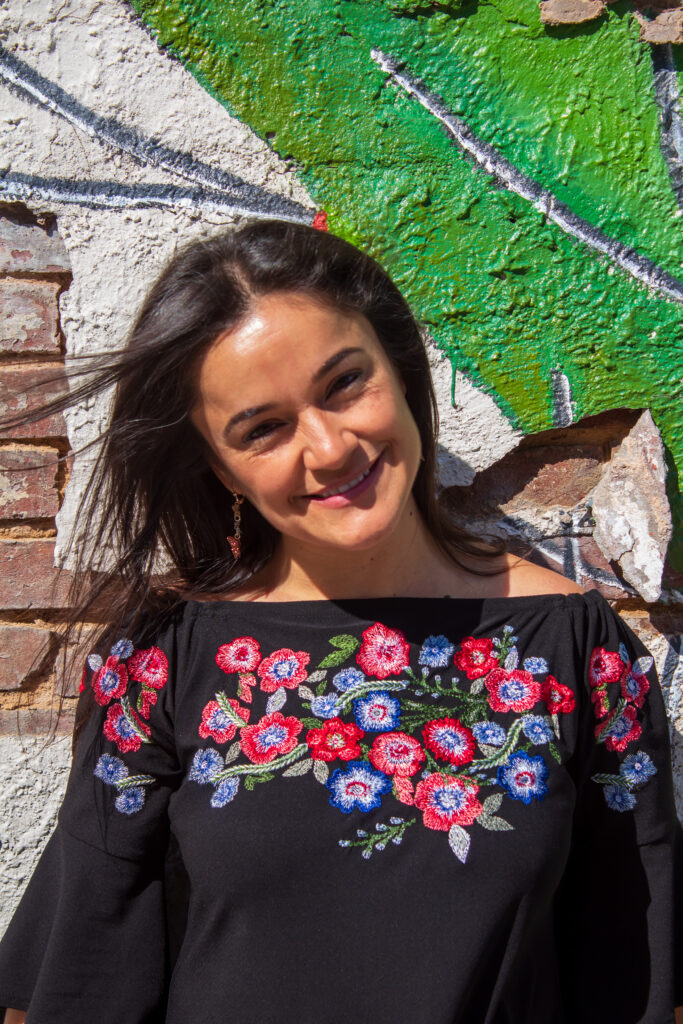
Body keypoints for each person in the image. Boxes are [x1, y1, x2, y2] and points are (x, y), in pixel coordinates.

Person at [0, 218, 680, 1023]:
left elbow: (636, 975)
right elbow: (88, 963)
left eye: (344, 384)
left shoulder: (572, 647)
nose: (326, 448)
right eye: (262, 429)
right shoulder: (164, 657)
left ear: (397, 369)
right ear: (219, 466)